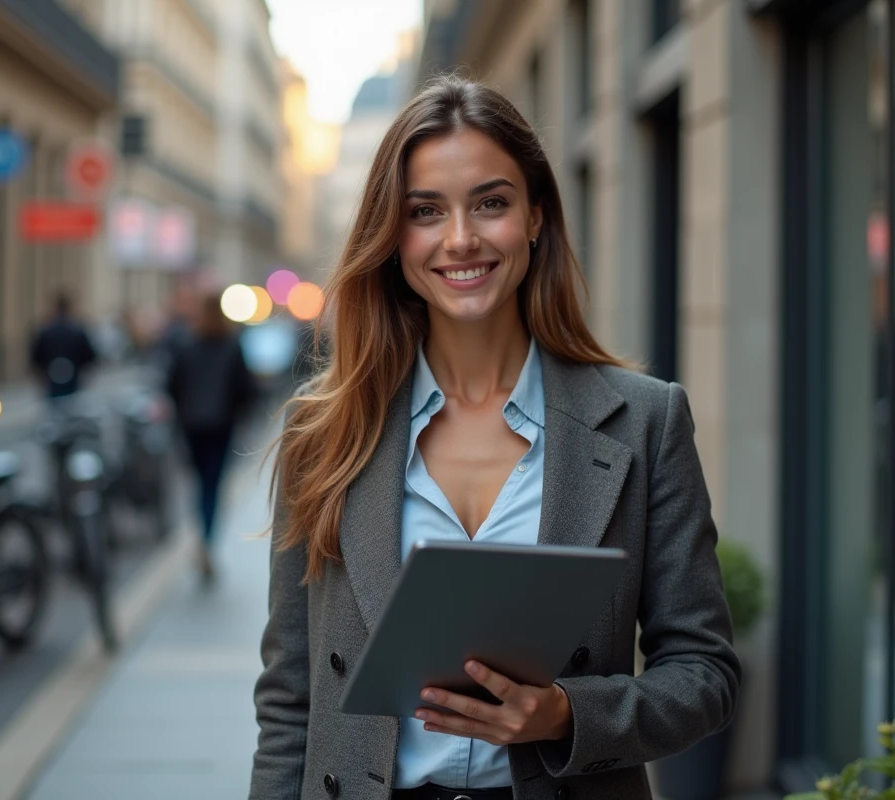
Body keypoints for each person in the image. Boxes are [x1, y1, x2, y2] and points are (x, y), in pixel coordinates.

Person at [250, 77, 740, 800]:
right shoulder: (324, 432)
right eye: (425, 211)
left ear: (535, 216)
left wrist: (568, 714)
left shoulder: (644, 420)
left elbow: (706, 672)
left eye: (491, 202)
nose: (460, 238)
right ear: (393, 236)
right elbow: (290, 699)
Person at [165, 291, 255, 581]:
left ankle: (202, 536)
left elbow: (171, 384)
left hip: (192, 425)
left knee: (198, 482)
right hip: (221, 425)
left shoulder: (185, 344)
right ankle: (207, 538)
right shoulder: (232, 343)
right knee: (213, 485)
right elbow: (244, 387)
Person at [29, 291, 98, 400]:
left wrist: (41, 376)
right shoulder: (77, 330)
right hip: (73, 380)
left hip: (51, 381)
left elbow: (36, 357)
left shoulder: (46, 330)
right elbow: (90, 356)